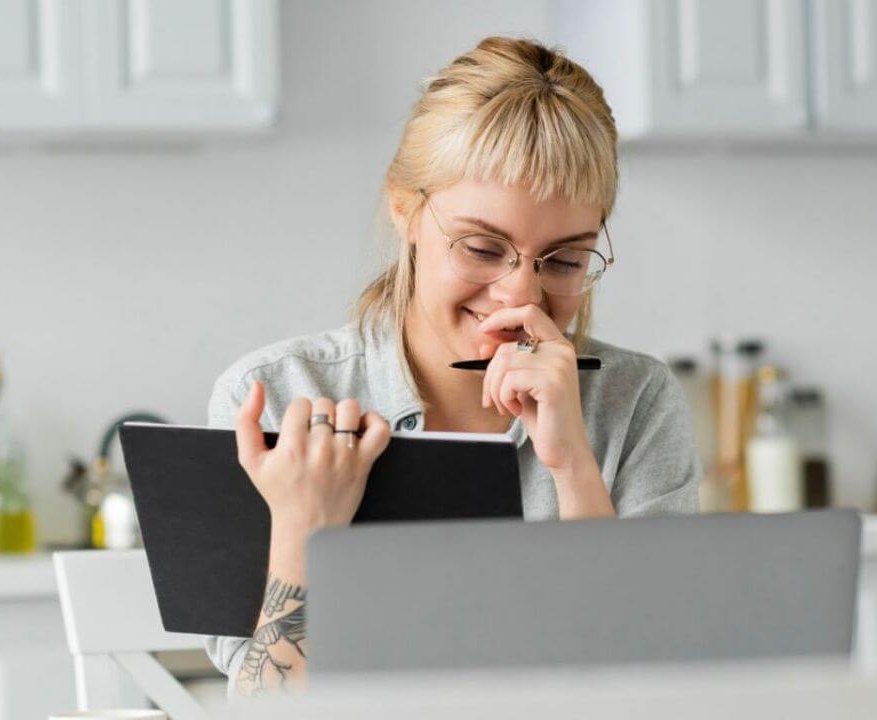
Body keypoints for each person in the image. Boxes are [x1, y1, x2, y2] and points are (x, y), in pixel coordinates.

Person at [205, 36, 702, 698]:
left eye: (563, 260)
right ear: (406, 211)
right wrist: (305, 531)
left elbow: (654, 690)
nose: (521, 296)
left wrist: (574, 467)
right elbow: (267, 708)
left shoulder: (636, 402)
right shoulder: (278, 396)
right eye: (482, 247)